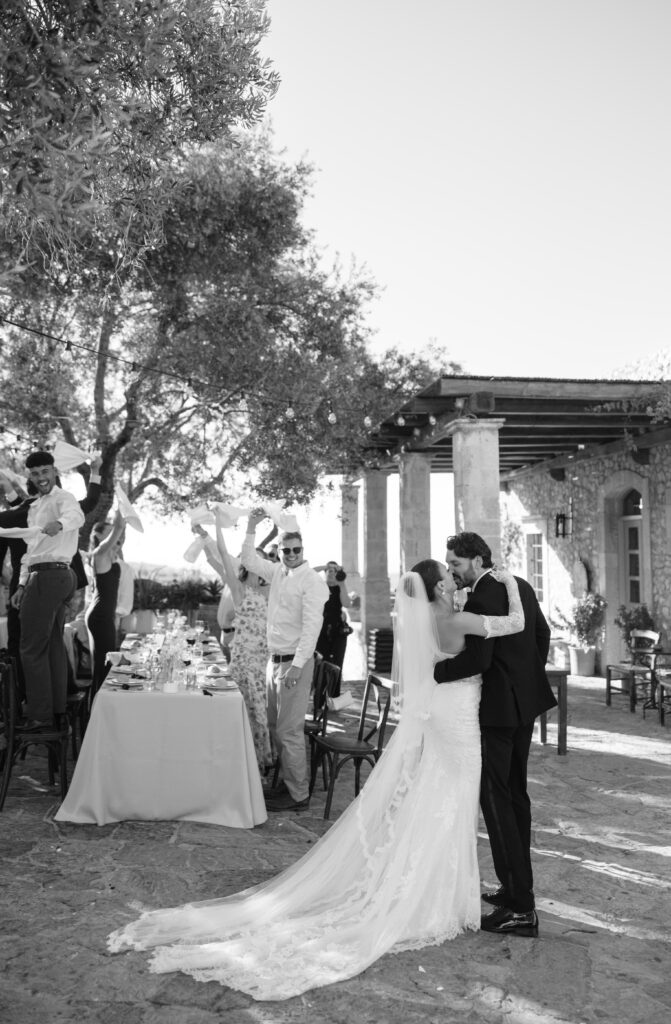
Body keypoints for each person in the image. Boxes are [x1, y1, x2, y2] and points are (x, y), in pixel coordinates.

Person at [108, 561, 524, 1000]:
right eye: (448, 575)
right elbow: (514, 622)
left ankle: (437, 889)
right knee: (454, 798)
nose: (453, 580)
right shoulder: (457, 617)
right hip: (459, 718)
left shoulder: (432, 621)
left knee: (436, 795)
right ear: (440, 585)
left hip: (441, 711)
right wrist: (511, 583)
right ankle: (441, 896)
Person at [435, 531, 557, 939]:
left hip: (500, 713)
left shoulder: (483, 597)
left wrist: (434, 672)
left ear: (475, 559)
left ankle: (522, 909)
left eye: (455, 563)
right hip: (525, 705)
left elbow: (477, 660)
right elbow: (542, 635)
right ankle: (512, 890)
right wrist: (525, 678)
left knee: (497, 801)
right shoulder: (517, 584)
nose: (452, 570)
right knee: (515, 797)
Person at [239, 509, 329, 812]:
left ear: (303, 550)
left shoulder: (312, 581)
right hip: (273, 660)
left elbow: (311, 628)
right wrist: (251, 526)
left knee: (289, 731)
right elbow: (249, 561)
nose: (290, 554)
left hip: (294, 664)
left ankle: (298, 795)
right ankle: (287, 784)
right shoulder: (277, 571)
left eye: (295, 550)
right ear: (279, 551)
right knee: (276, 726)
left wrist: (297, 666)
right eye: (285, 550)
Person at [9, 451, 85, 729]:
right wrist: (20, 584)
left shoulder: (63, 498)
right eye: (36, 473)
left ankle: (39, 716)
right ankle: (56, 708)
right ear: (30, 476)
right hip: (48, 576)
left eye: (45, 472)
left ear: (54, 472)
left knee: (30, 647)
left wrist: (60, 524)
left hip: (53, 576)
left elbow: (76, 517)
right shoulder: (34, 507)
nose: (41, 478)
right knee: (52, 644)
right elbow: (31, 552)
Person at [210, 508, 273, 772]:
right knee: (238, 717)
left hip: (260, 667)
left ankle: (257, 766)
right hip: (241, 665)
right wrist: (217, 523)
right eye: (252, 562)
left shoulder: (273, 592)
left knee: (258, 718)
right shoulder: (239, 591)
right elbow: (223, 555)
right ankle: (237, 767)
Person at [84, 509, 126, 698]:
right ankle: (97, 714)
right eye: (108, 534)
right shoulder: (99, 553)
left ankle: (94, 713)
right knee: (105, 666)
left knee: (103, 666)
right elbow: (119, 528)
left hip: (103, 615)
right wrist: (122, 510)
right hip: (100, 616)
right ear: (99, 536)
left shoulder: (110, 555)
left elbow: (119, 535)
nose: (115, 538)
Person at [314, 560, 351, 674]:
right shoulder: (319, 586)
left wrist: (342, 583)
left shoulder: (340, 587)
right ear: (325, 572)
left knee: (337, 664)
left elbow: (346, 604)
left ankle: (335, 691)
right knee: (321, 662)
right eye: (329, 571)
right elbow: (308, 572)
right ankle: (320, 691)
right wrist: (325, 566)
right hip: (321, 629)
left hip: (338, 630)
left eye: (335, 571)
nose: (332, 573)